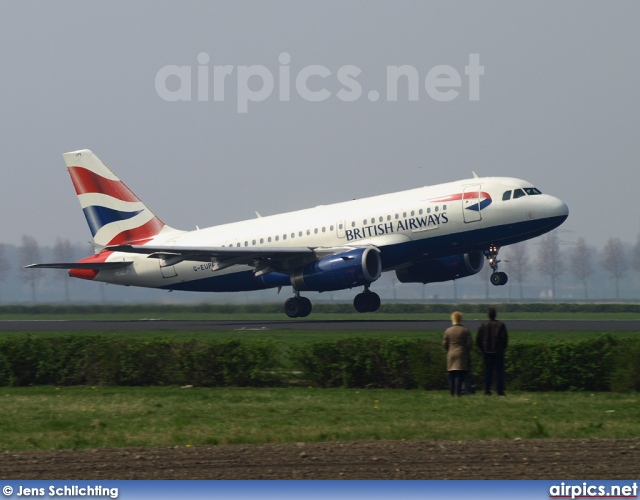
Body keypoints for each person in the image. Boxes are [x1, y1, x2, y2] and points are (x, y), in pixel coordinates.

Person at [476, 307, 508, 396]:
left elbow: (478, 339)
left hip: (486, 352)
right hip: (498, 352)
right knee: (499, 372)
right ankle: (500, 391)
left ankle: (487, 391)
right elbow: (504, 339)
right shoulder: (501, 325)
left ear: (487, 315)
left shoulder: (483, 325)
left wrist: (482, 349)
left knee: (487, 372)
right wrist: (502, 348)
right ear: (495, 315)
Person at [442, 311, 472, 397]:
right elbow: (469, 344)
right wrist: (466, 351)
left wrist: (449, 349)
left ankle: (451, 392)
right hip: (462, 353)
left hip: (451, 353)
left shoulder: (448, 330)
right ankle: (457, 392)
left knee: (451, 373)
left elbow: (444, 343)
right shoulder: (465, 330)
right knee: (459, 373)